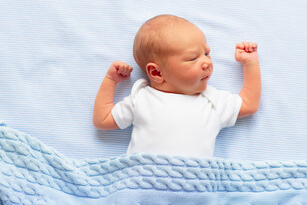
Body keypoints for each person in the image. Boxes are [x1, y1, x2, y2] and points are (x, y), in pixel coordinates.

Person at [93, 15, 261, 157]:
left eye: (207, 53)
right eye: (192, 58)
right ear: (157, 73)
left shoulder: (212, 101)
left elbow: (249, 104)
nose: (207, 62)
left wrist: (250, 64)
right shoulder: (142, 98)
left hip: (194, 187)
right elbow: (102, 120)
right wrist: (111, 81)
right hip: (143, 182)